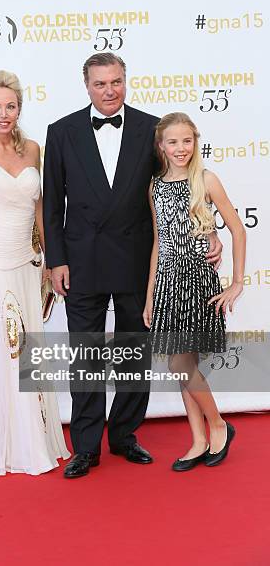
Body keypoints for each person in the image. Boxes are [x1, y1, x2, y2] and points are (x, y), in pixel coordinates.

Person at [43, 52, 223, 479]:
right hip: (81, 259)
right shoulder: (62, 131)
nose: (110, 91)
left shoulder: (151, 128)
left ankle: (124, 435)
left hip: (138, 259)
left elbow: (182, 184)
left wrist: (210, 228)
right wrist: (56, 261)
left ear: (126, 81)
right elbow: (52, 204)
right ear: (86, 85)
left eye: (117, 82)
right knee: (84, 354)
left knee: (133, 353)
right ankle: (85, 447)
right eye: (101, 84)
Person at [0, 70, 70, 475]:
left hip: (28, 262)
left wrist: (48, 259)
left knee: (28, 351)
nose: (3, 114)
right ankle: (1, 445)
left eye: (10, 106)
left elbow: (41, 208)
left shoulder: (33, 150)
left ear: (19, 108)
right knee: (3, 349)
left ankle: (33, 438)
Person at [143, 112, 246, 471]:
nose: (180, 148)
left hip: (198, 281)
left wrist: (237, 282)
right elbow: (160, 241)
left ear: (195, 142)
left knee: (181, 363)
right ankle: (199, 439)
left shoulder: (205, 179)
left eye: (187, 140)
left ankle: (218, 425)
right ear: (161, 146)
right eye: (173, 142)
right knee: (183, 363)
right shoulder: (155, 186)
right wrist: (149, 295)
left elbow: (238, 229)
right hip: (168, 283)